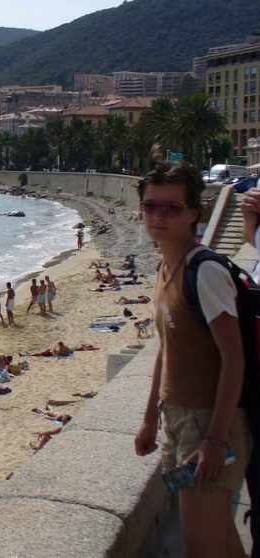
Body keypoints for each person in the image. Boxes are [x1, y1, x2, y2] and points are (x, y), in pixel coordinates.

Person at [133, 162, 249, 558]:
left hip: (207, 423)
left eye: (172, 208)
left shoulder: (205, 271)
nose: (159, 216)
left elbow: (234, 357)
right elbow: (166, 348)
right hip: (177, 419)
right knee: (219, 540)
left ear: (193, 214)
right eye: (151, 206)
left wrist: (216, 438)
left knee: (200, 547)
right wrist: (150, 418)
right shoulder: (166, 267)